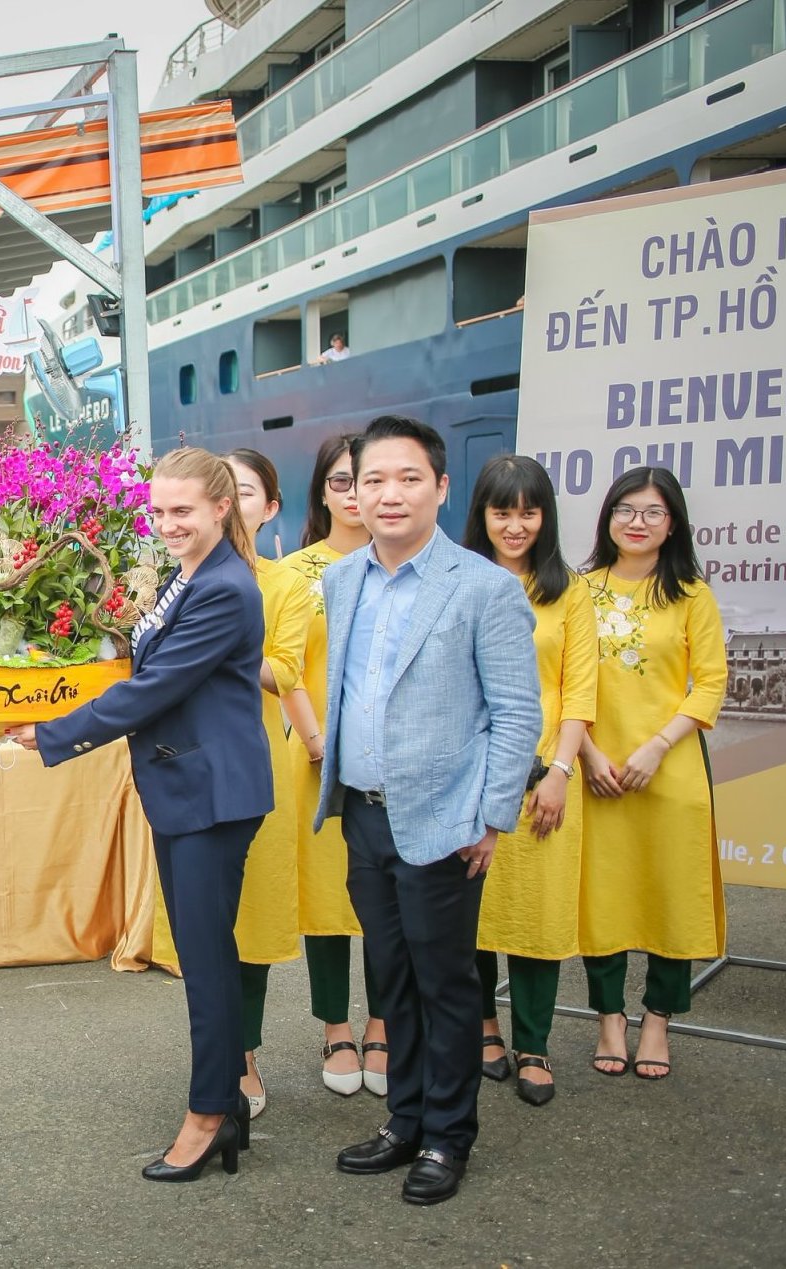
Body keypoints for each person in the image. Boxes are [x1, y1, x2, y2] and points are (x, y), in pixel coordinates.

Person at [9, 447, 270, 1183]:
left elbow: (153, 688)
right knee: (204, 954)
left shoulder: (222, 588)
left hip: (210, 794)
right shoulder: (194, 575)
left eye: (182, 510)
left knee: (205, 960)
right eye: (157, 511)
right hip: (188, 786)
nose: (166, 524)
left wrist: (55, 731)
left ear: (222, 507)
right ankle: (226, 1103)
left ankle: (210, 1113)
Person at [316, 416, 540, 1206]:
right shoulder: (341, 580)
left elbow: (516, 712)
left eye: (407, 477)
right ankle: (403, 1119)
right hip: (363, 813)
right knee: (390, 976)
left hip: (445, 818)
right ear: (351, 491)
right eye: (371, 479)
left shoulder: (484, 587)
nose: (388, 494)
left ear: (441, 488)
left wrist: (492, 816)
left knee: (445, 982)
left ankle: (447, 1135)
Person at [577, 467, 727, 1082]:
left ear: (673, 525)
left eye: (652, 512)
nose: (637, 523)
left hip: (669, 768)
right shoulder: (579, 589)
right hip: (595, 769)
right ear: (608, 517)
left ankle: (659, 1019)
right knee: (602, 894)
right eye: (625, 510)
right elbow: (561, 681)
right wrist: (587, 755)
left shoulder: (691, 594)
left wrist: (658, 747)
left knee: (672, 893)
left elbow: (711, 684)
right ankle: (609, 1017)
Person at [462, 455, 595, 1107]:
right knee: (473, 909)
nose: (515, 526)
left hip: (543, 777)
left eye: (528, 512)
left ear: (546, 518)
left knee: (537, 914)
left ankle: (534, 1043)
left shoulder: (568, 591)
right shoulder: (457, 581)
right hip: (470, 774)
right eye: (501, 512)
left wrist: (561, 772)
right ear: (481, 515)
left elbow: (579, 692)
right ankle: (484, 1026)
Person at [279, 432, 388, 1096]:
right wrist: (317, 740)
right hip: (316, 753)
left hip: (391, 758)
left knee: (386, 895)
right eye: (340, 481)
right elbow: (285, 666)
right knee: (326, 895)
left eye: (365, 479)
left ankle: (383, 1024)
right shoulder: (296, 572)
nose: (353, 494)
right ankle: (335, 1027)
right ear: (321, 491)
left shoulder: (403, 563)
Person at [220, 449, 310, 1119]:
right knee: (205, 922)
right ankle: (216, 1052)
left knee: (252, 916)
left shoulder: (285, 584)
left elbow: (284, 671)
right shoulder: (168, 576)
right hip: (182, 762)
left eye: (245, 491)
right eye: (219, 489)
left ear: (270, 507)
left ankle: (244, 1051)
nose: (231, 502)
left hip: (253, 762)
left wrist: (215, 643)